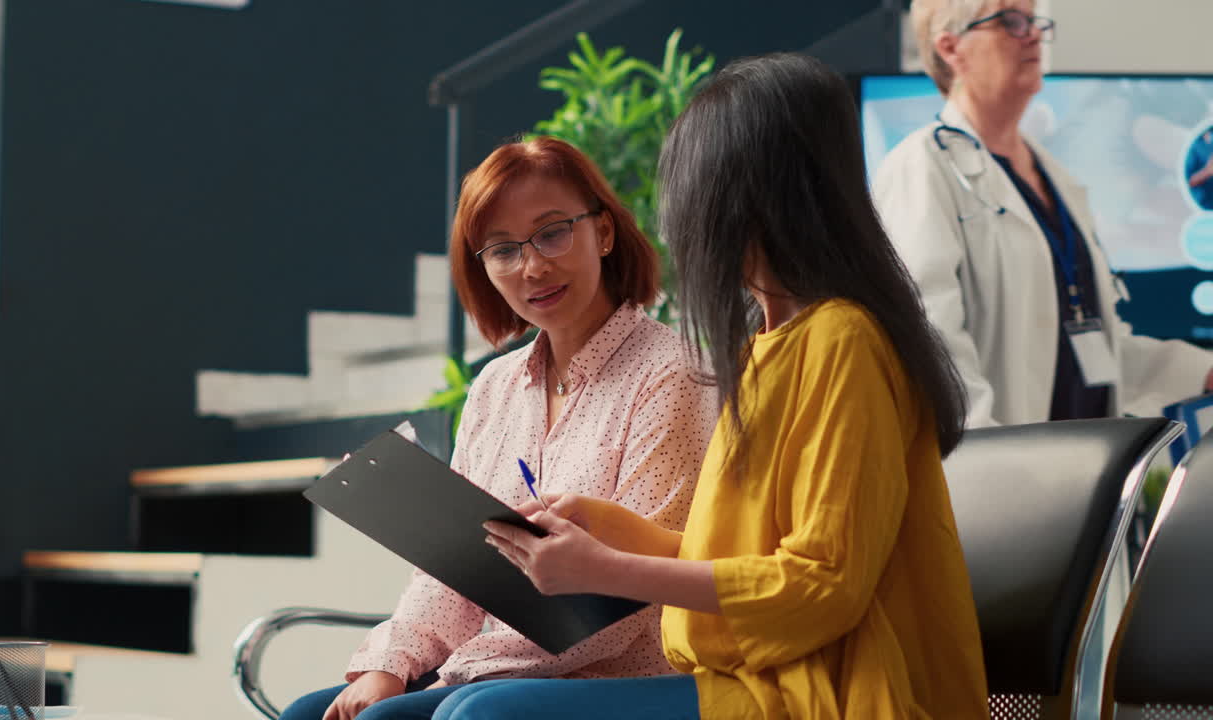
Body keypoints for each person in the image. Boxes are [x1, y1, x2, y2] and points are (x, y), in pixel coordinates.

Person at [453, 53, 989, 719]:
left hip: (823, 691)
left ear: (747, 198)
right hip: (761, 677)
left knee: (482, 715)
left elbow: (823, 586)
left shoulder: (842, 340)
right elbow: (747, 568)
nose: (677, 218)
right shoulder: (764, 346)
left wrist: (604, 570)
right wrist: (612, 530)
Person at [279, 137, 719, 720]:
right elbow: (457, 566)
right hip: (507, 670)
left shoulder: (673, 373)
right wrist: (391, 661)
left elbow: (623, 606)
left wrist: (456, 674)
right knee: (309, 715)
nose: (533, 266)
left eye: (553, 232)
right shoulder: (495, 386)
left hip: (627, 674)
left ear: (604, 233)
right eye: (503, 249)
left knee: (424, 715)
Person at [873, 0, 1213, 428]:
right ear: (951, 48)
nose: (1032, 34)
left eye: (1034, 21)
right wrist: (988, 453)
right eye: (1010, 22)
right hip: (996, 468)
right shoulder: (922, 166)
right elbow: (928, 336)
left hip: (1079, 460)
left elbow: (1091, 343)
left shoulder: (1057, 179)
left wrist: (1200, 370)